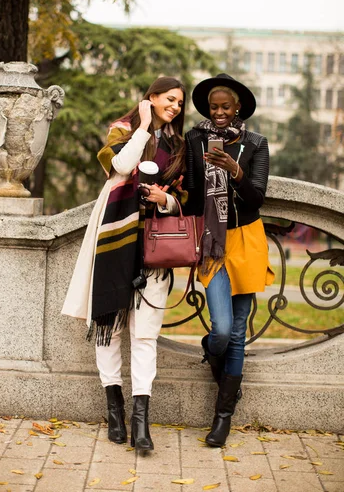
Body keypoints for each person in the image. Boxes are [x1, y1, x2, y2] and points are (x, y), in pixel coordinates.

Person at [62, 76, 186, 452]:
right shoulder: (122, 129)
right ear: (150, 98)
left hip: (154, 247)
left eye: (180, 102)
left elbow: (184, 201)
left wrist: (163, 199)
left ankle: (141, 423)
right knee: (109, 329)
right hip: (115, 239)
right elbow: (119, 165)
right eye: (169, 99)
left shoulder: (180, 147)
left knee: (145, 334)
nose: (175, 107)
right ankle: (114, 411)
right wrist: (144, 127)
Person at [184, 73, 274, 448]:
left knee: (237, 332)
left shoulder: (256, 144)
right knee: (221, 330)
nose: (219, 112)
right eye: (213, 107)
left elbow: (256, 199)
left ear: (237, 108)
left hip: (248, 241)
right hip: (213, 243)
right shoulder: (195, 139)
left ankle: (223, 418)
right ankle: (210, 350)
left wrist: (234, 170)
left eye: (226, 106)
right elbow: (190, 194)